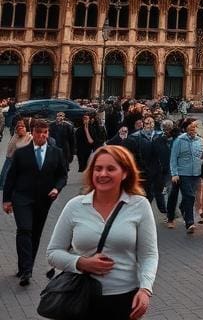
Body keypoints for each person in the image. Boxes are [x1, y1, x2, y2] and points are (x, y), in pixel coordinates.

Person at [46, 145, 158, 320]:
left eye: (111, 169)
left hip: (124, 298)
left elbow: (149, 255)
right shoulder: (75, 206)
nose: (102, 174)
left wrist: (145, 289)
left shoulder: (139, 205)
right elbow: (53, 253)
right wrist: (81, 262)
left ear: (125, 173)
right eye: (98, 168)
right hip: (80, 297)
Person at [2, 118, 69, 285]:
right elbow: (11, 177)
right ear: (33, 133)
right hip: (22, 198)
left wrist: (57, 188)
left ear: (48, 133)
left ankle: (25, 265)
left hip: (43, 200)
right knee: (24, 229)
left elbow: (62, 175)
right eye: (39, 133)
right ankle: (26, 270)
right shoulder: (21, 153)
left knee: (35, 233)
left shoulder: (56, 153)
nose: (42, 136)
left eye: (45, 133)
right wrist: (7, 200)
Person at [167, 117, 203, 233]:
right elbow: (173, 158)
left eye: (195, 128)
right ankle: (190, 223)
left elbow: (201, 156)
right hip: (183, 173)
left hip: (196, 173)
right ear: (187, 128)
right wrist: (174, 173)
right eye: (191, 128)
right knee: (190, 196)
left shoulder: (200, 141)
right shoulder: (179, 140)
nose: (193, 130)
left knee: (189, 196)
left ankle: (183, 208)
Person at [0, 117, 31, 189]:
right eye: (18, 125)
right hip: (10, 156)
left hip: (15, 157)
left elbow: (20, 146)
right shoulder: (16, 133)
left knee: (7, 172)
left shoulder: (27, 136)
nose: (19, 126)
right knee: (5, 172)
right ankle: (3, 184)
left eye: (22, 125)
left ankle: (4, 185)